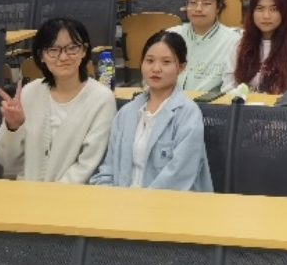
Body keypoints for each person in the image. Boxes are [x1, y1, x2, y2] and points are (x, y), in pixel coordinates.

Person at [0, 18, 116, 183]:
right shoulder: (29, 93)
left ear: (84, 51)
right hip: (27, 192)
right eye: (53, 50)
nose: (63, 57)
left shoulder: (101, 99)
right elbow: (8, 163)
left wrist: (51, 194)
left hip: (74, 196)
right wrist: (13, 128)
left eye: (72, 48)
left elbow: (88, 165)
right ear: (41, 56)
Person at [90, 32, 212, 191]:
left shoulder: (188, 114)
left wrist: (142, 202)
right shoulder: (126, 113)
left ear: (181, 67)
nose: (156, 69)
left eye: (166, 62)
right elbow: (109, 167)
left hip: (167, 202)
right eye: (149, 61)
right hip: (122, 200)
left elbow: (178, 176)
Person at [167, 0, 241, 93]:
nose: (198, 9)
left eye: (206, 3)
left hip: (211, 103)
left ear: (218, 7)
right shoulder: (171, 35)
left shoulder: (233, 41)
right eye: (192, 3)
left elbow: (232, 87)